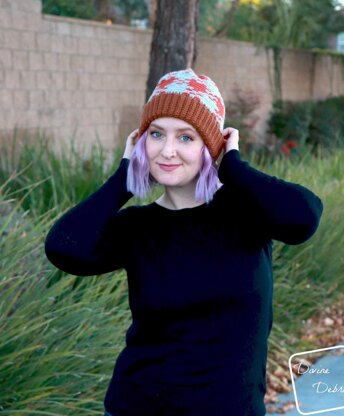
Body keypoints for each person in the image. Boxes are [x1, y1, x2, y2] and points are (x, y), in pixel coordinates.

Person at [44, 68, 324, 416]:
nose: (167, 151)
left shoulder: (245, 213)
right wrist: (124, 178)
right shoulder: (138, 228)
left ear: (211, 145)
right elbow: (62, 247)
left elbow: (304, 218)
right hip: (137, 406)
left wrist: (233, 165)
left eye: (186, 137)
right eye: (157, 134)